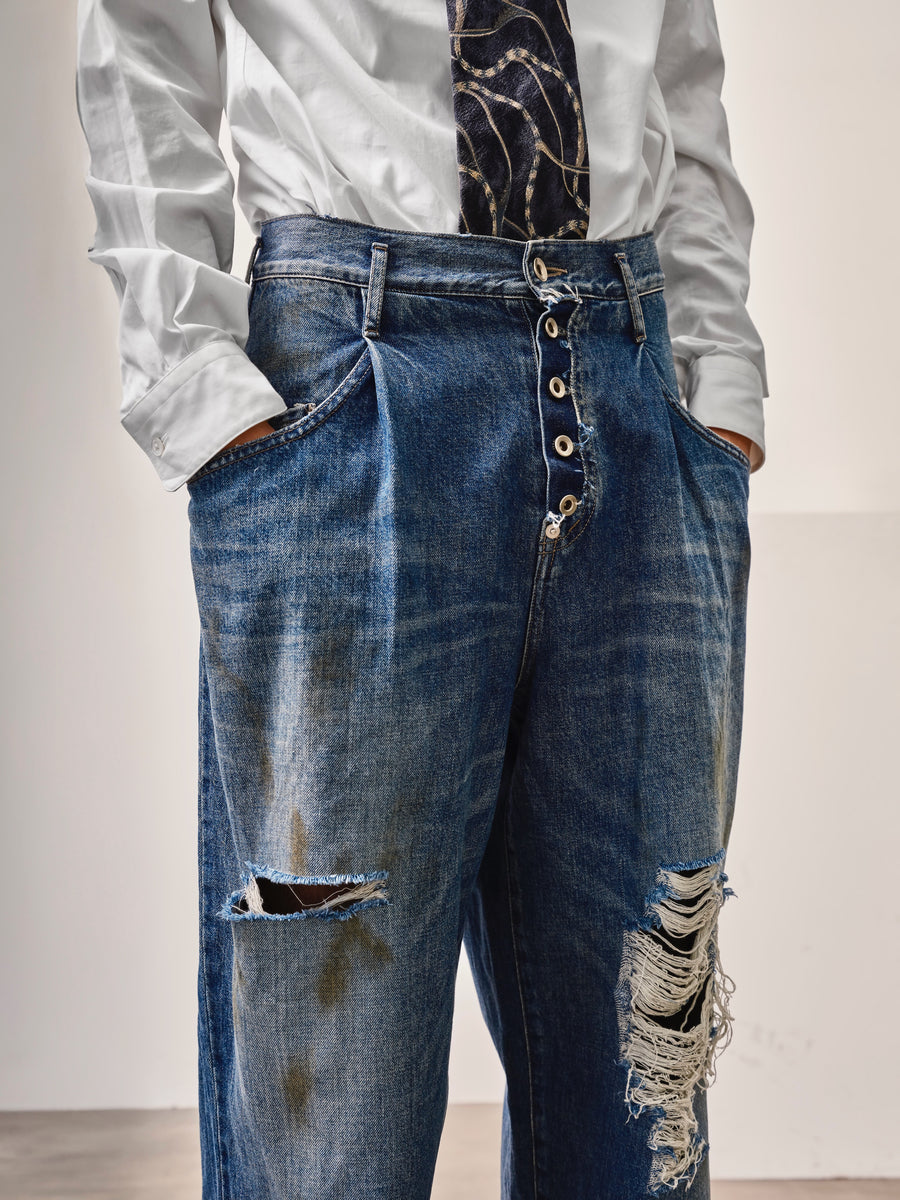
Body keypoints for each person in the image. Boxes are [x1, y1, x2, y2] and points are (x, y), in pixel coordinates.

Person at [75, 2, 768, 1197]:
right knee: (335, 1105)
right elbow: (143, 35)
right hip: (355, 382)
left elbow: (681, 73)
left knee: (642, 1072)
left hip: (635, 370)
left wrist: (720, 379)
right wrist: (193, 384)